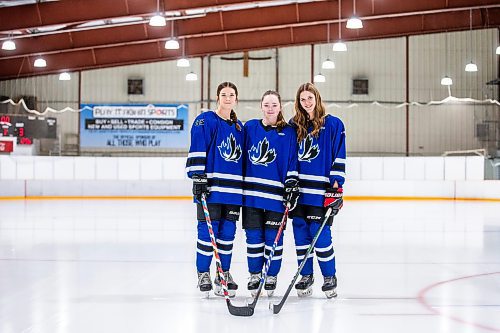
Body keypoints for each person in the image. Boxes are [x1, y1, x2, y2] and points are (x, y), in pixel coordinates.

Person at [185, 82, 244, 297]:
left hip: (233, 191)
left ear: (236, 99)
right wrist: (197, 176)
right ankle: (204, 274)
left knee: (227, 234)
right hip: (210, 190)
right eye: (224, 94)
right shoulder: (205, 120)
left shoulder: (240, 128)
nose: (228, 98)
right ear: (217, 98)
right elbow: (197, 147)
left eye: (231, 94)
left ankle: (223, 273)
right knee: (206, 234)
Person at [290, 83, 345, 299]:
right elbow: (289, 155)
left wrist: (336, 185)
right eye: (302, 99)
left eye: (309, 98)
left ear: (317, 98)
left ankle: (329, 277)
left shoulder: (333, 124)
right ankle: (306, 276)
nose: (306, 103)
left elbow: (339, 153)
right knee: (301, 235)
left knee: (321, 236)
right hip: (299, 192)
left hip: (320, 192)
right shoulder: (294, 125)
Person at [242, 90, 299, 297]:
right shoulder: (250, 128)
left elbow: (293, 159)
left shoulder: (290, 132)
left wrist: (292, 184)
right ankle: (255, 274)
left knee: (274, 238)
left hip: (277, 197)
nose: (270, 108)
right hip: (252, 196)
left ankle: (271, 275)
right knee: (254, 238)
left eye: (274, 104)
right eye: (266, 104)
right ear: (261, 106)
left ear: (280, 106)